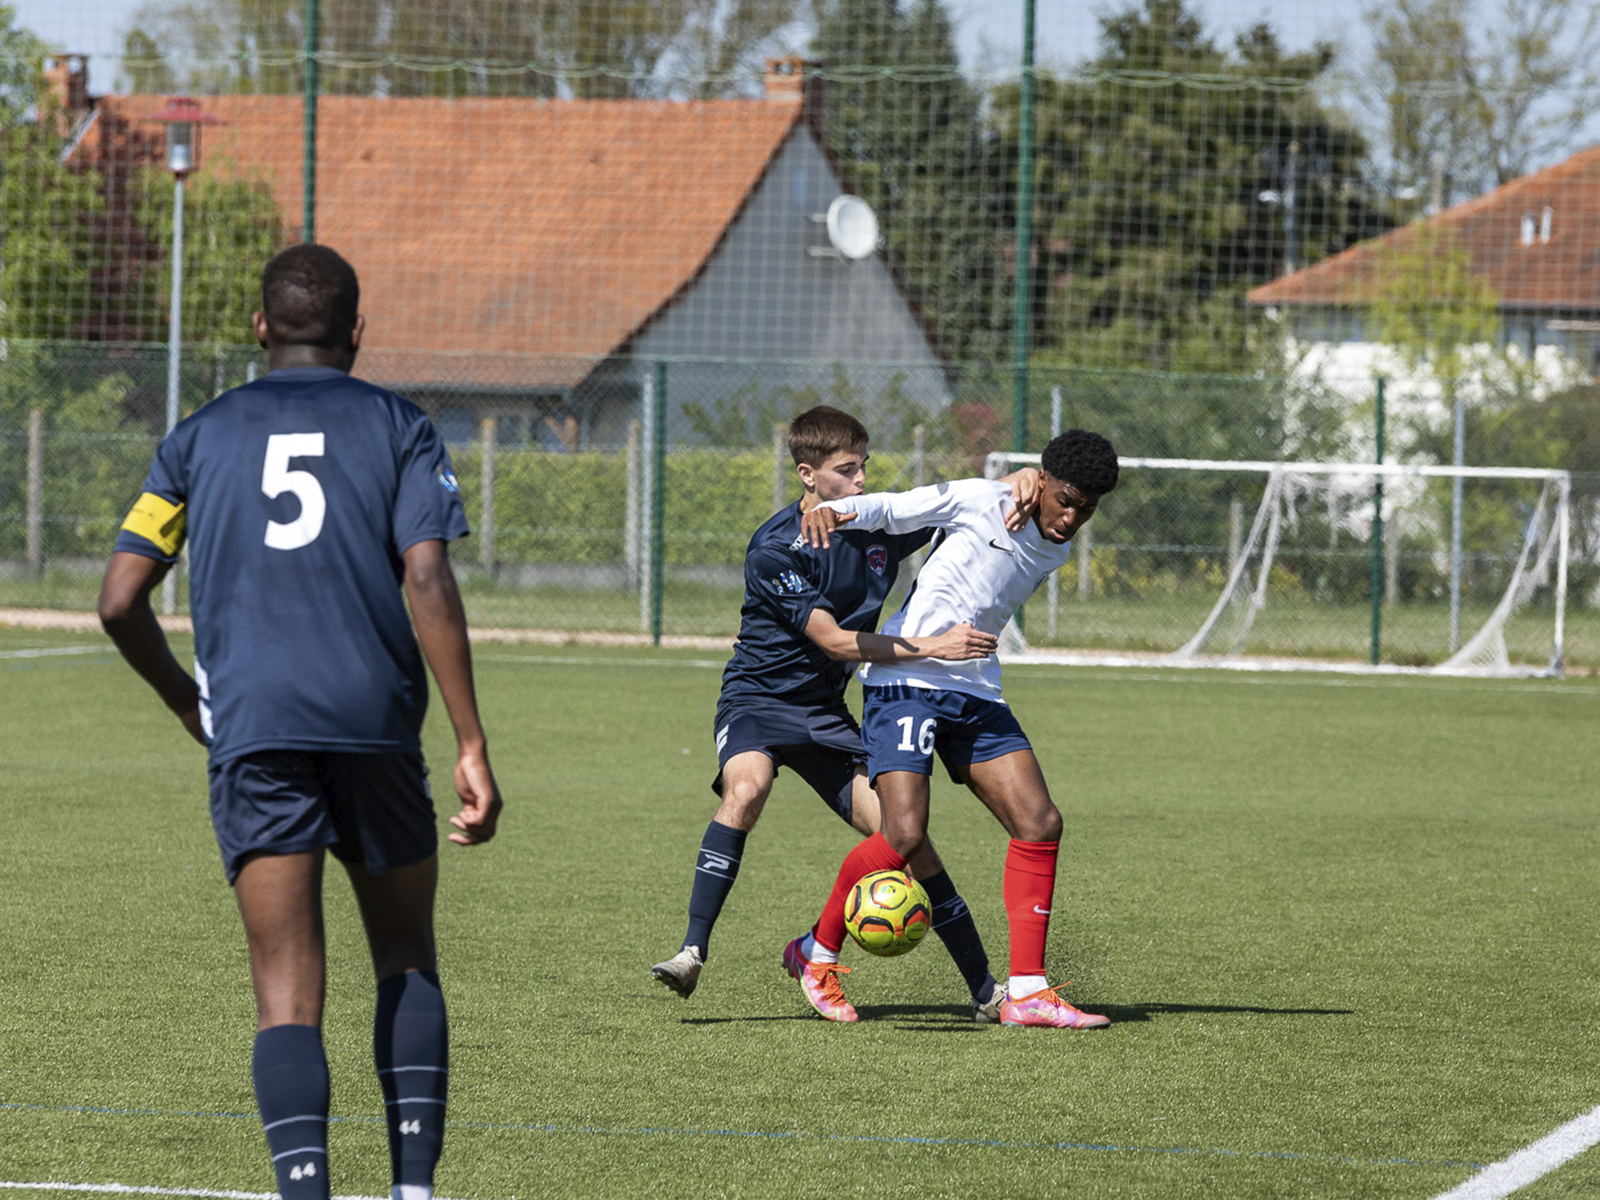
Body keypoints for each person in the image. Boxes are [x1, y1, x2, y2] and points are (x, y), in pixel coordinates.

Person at [97, 243, 503, 1200]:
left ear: (259, 327)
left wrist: (190, 700)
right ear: (358, 332)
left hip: (257, 732)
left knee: (286, 985)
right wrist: (472, 740)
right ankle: (412, 1191)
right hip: (375, 729)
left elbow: (119, 599)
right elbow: (428, 573)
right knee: (405, 953)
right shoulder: (401, 425)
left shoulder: (196, 438)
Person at [650, 406, 1036, 1023]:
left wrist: (1021, 476)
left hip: (826, 714)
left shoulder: (876, 526)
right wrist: (935, 647)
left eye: (864, 467)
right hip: (757, 701)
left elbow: (961, 508)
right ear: (808, 474)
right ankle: (692, 950)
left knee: (903, 839)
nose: (860, 481)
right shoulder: (776, 549)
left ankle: (985, 990)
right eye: (846, 470)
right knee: (747, 789)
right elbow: (833, 641)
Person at [784, 428, 1119, 1028]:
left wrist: (1030, 481)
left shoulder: (1054, 543)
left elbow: (1031, 509)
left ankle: (1028, 992)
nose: (1071, 518)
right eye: (1066, 500)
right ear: (1042, 482)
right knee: (904, 835)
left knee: (1040, 822)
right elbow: (894, 508)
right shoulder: (980, 498)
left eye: (1086, 510)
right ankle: (819, 953)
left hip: (975, 688)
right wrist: (831, 507)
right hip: (905, 678)